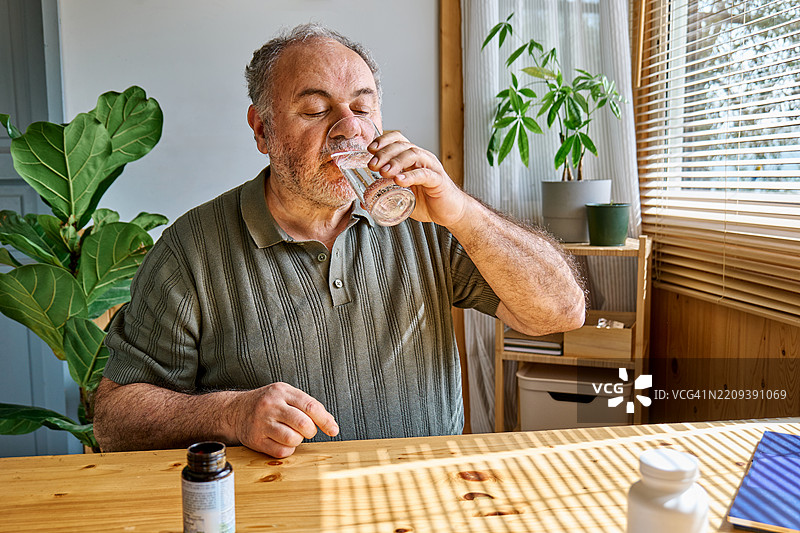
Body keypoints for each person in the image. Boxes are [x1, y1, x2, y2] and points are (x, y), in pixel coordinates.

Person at [93, 23, 585, 458]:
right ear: (262, 129)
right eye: (314, 110)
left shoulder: (429, 219)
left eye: (362, 108)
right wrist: (230, 414)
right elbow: (115, 420)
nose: (348, 129)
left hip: (424, 493)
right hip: (272, 508)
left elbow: (561, 313)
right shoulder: (191, 249)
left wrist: (463, 212)